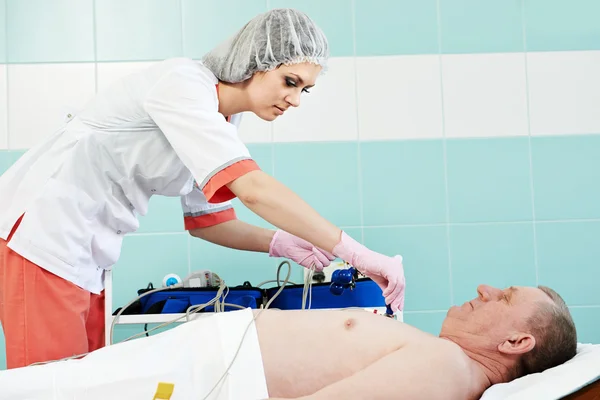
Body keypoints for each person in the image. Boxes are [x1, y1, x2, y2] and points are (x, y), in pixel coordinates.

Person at [0, 8, 405, 370]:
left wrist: (281, 242)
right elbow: (253, 190)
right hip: (44, 235)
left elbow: (209, 223)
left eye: (305, 89)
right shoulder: (183, 85)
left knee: (84, 380)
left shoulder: (223, 120)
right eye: (290, 81)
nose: (295, 100)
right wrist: (357, 253)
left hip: (85, 252)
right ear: (254, 62)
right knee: (51, 385)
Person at [0, 283, 578, 399]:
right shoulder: (442, 358)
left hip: (206, 379)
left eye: (503, 298)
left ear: (517, 341)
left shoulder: (449, 371)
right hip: (203, 367)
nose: (484, 288)